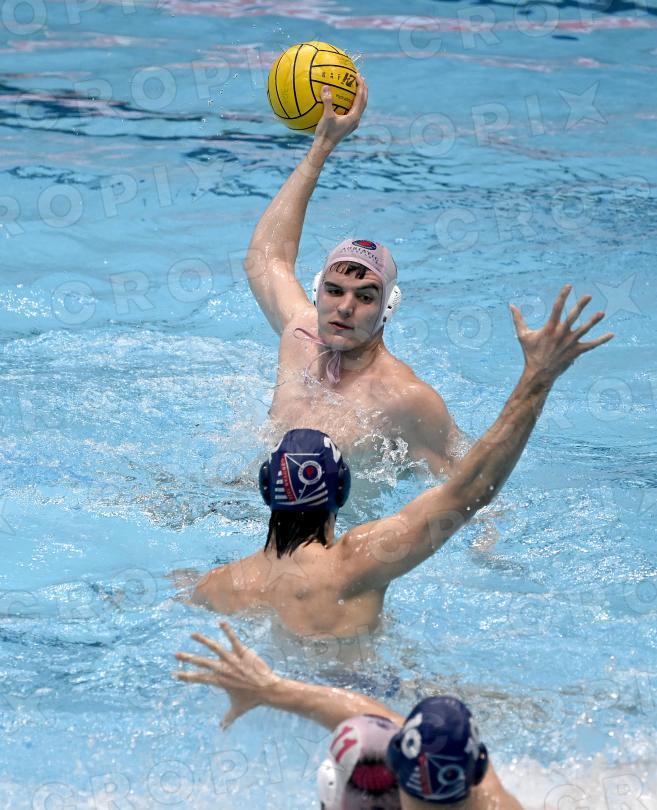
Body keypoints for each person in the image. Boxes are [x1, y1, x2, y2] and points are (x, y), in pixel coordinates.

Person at [192, 286, 613, 637]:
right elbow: (470, 489)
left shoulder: (220, 586)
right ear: (343, 488)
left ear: (265, 486)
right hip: (366, 692)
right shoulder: (357, 563)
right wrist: (538, 378)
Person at [244, 74, 460, 475]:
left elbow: (469, 493)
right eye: (334, 290)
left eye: (365, 296)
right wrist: (320, 148)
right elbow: (267, 257)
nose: (344, 307)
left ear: (387, 309)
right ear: (317, 293)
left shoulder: (406, 400)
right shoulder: (299, 336)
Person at [174, 623, 523, 809]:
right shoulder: (490, 795)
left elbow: (375, 716)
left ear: (395, 763)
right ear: (479, 767)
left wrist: (270, 689)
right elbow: (374, 713)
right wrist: (271, 689)